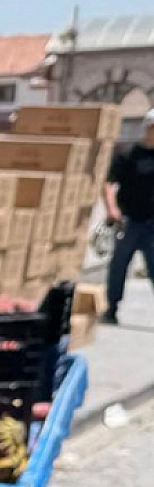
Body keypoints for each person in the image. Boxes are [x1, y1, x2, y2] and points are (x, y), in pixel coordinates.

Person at [103, 108, 154, 325]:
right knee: (118, 266)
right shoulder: (128, 154)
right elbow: (108, 182)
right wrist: (112, 209)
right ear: (147, 129)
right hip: (129, 222)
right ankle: (112, 308)